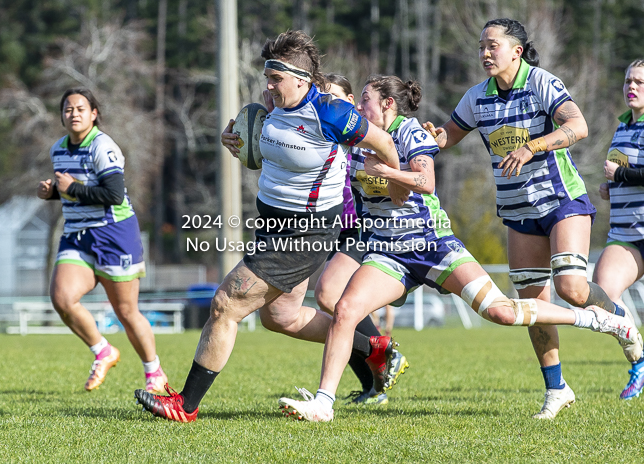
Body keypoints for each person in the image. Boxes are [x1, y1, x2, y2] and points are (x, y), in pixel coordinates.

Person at [277, 74, 642, 423]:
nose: (358, 107)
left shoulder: (408, 133)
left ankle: (594, 318)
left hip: (433, 246)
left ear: (388, 104)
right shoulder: (355, 142)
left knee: (499, 312)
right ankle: (324, 403)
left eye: (365, 100)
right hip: (387, 251)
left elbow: (425, 180)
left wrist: (389, 173)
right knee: (345, 309)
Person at [133, 30, 408, 423]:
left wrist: (395, 182)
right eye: (267, 77)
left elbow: (383, 143)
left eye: (275, 78)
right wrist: (239, 144)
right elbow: (271, 154)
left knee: (225, 304)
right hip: (273, 226)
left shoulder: (331, 112)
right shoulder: (269, 105)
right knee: (281, 318)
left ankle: (185, 404)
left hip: (305, 232)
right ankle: (374, 348)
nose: (268, 85)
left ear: (301, 78)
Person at [420, 18, 641, 418]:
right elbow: (446, 138)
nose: (485, 53)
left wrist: (532, 146)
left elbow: (579, 126)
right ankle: (557, 390)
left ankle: (621, 321)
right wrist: (428, 138)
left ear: (516, 51)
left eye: (493, 46)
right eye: (482, 47)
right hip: (518, 212)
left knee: (572, 288)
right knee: (531, 306)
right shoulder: (475, 97)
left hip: (561, 200)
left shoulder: (541, 81)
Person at [36, 88, 168, 393]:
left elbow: (112, 194)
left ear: (94, 113)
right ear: (62, 116)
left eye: (81, 108)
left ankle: (154, 372)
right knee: (62, 299)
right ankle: (103, 351)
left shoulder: (103, 145)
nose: (74, 114)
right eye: (68, 109)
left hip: (114, 234)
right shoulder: (59, 149)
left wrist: (71, 189)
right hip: (77, 235)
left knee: (126, 312)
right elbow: (73, 189)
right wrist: (52, 191)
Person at [314, 73, 409, 406]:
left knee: (330, 297)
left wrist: (432, 140)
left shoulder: (363, 139)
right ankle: (374, 380)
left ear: (352, 102)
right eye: (322, 97)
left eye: (335, 97)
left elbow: (410, 162)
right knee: (338, 309)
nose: (329, 104)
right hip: (334, 231)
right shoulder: (321, 134)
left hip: (365, 230)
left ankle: (383, 352)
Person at [594, 59, 644, 400]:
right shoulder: (623, 125)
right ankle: (639, 358)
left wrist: (621, 176)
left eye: (639, 82)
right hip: (626, 233)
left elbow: (627, 172)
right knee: (600, 297)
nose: (632, 86)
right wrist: (610, 187)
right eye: (628, 80)